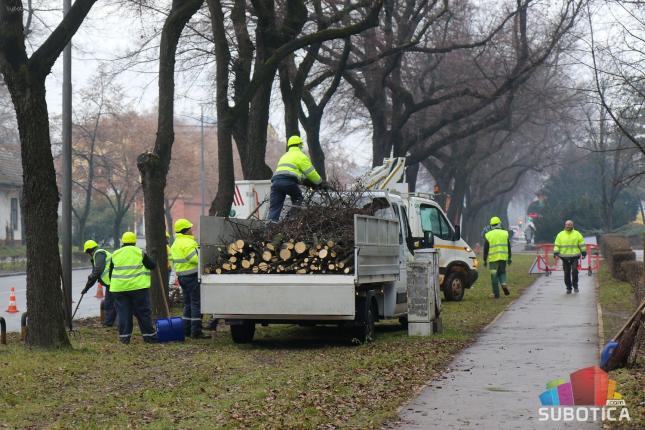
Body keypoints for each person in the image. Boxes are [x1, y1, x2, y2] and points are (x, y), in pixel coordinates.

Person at [109, 231, 157, 344]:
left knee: (123, 313)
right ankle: (149, 337)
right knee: (143, 312)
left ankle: (124, 338)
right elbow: (151, 266)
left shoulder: (115, 254)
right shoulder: (139, 252)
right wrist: (154, 257)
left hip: (119, 289)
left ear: (123, 242)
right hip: (138, 288)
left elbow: (111, 273)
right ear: (134, 242)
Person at [268, 135, 327, 222]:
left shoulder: (284, 156)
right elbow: (311, 173)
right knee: (298, 198)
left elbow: (294, 172)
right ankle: (290, 219)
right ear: (300, 145)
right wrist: (319, 182)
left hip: (276, 182)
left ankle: (270, 228)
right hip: (288, 181)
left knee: (275, 207)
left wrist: (304, 181)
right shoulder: (300, 156)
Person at [171, 218, 210, 339]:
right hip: (192, 276)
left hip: (182, 276)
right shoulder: (188, 243)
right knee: (196, 303)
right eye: (190, 228)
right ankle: (196, 331)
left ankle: (186, 330)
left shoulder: (176, 243)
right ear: (186, 230)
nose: (192, 230)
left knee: (187, 303)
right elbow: (195, 259)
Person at [82, 240, 116, 327]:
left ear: (90, 250)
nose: (88, 254)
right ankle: (109, 323)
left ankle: (109, 323)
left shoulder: (99, 253)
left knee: (110, 303)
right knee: (110, 303)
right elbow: (95, 276)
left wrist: (91, 276)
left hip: (114, 282)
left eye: (88, 252)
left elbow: (98, 270)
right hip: (112, 283)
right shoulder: (97, 256)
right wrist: (86, 288)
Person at [553, 220, 586, 294]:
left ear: (572, 225)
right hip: (564, 257)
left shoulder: (577, 234)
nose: (568, 226)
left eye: (570, 225)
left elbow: (582, 244)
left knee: (574, 271)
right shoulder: (560, 234)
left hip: (575, 256)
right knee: (566, 273)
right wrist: (555, 253)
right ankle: (568, 288)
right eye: (567, 225)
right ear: (565, 225)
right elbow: (557, 245)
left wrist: (583, 253)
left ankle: (575, 286)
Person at [483, 216, 512, 298]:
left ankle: (496, 294)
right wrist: (509, 258)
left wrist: (485, 260)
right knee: (502, 272)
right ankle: (504, 284)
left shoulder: (488, 235)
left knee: (494, 276)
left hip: (493, 260)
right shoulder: (505, 233)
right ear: (500, 224)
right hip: (503, 258)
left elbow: (486, 249)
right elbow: (509, 246)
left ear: (491, 225)